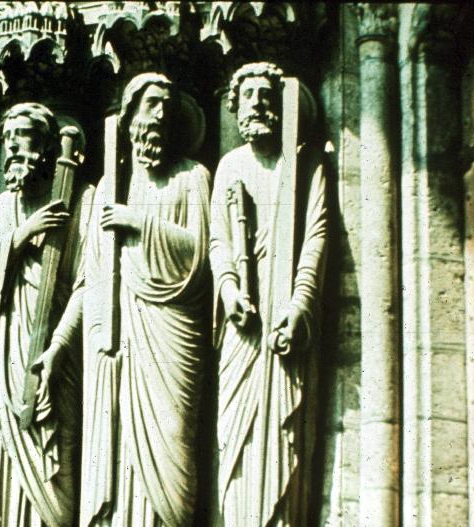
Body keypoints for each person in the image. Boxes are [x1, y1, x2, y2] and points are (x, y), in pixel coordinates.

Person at [81, 73, 212, 527]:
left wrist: (138, 222)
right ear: (129, 116)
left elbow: (200, 254)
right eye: (151, 104)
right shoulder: (110, 186)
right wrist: (98, 336)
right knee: (119, 445)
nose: (160, 115)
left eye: (167, 107)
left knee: (174, 436)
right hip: (119, 341)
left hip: (174, 329)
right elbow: (93, 276)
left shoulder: (193, 178)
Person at [210, 62, 328, 526]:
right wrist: (228, 290)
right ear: (235, 107)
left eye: (266, 95)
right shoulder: (229, 166)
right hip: (242, 327)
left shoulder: (306, 165)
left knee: (285, 440)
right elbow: (219, 241)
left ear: (282, 105)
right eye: (248, 95)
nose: (257, 103)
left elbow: (316, 236)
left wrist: (300, 304)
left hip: (285, 323)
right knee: (235, 441)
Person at [0, 102, 93, 526]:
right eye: (7, 138)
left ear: (46, 144)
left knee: (53, 478)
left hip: (56, 356)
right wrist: (23, 234)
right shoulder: (2, 208)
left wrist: (58, 346)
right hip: (5, 358)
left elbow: (89, 283)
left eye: (21, 135)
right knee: (2, 469)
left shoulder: (81, 199)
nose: (11, 147)